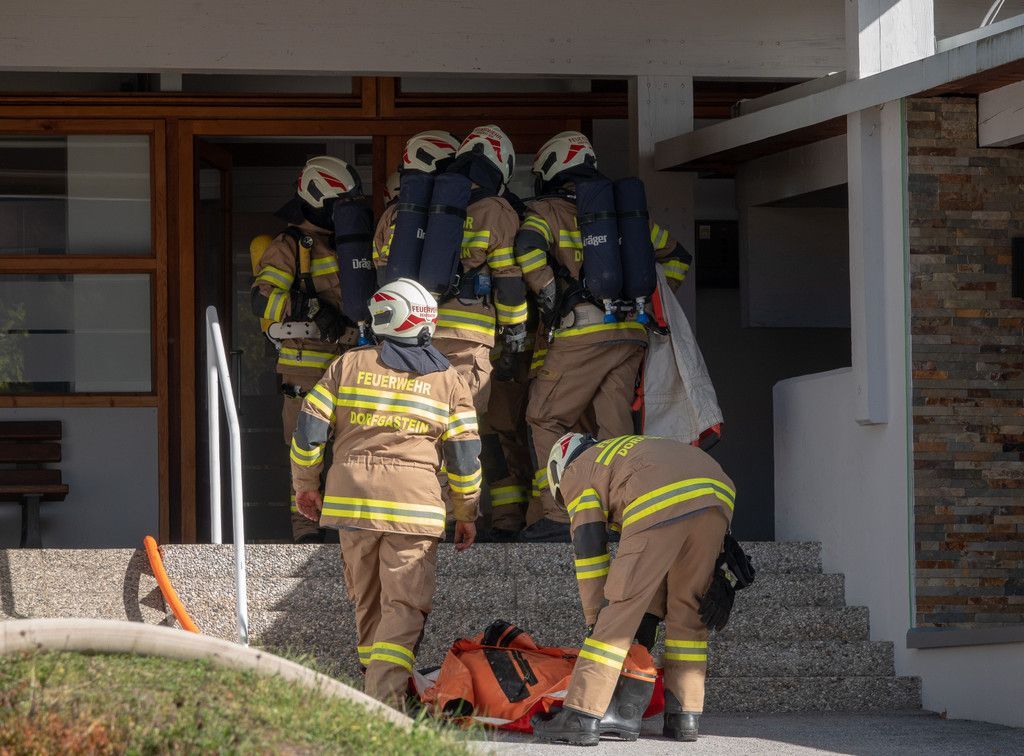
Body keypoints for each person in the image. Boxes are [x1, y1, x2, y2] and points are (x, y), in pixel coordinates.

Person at [290, 278, 482, 706]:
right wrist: (466, 512)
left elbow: (308, 433)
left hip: (352, 503)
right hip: (414, 509)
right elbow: (465, 459)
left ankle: (373, 692)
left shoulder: (347, 365)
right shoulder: (449, 380)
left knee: (368, 601)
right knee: (404, 607)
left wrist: (305, 485)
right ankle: (385, 701)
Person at [514, 131, 693, 541]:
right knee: (616, 430)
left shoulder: (546, 211)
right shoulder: (627, 216)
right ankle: (619, 516)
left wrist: (550, 295)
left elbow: (527, 249)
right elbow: (678, 257)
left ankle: (559, 517)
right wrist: (649, 304)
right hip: (631, 333)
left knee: (545, 416)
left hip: (582, 333)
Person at [531, 433, 747, 745]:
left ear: (558, 468)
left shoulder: (578, 470)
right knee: (689, 610)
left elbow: (590, 550)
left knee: (619, 609)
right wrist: (650, 615)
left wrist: (596, 619)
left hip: (659, 493)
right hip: (718, 490)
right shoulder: (623, 452)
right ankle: (684, 716)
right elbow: (660, 555)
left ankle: (582, 715)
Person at [251, 155, 363, 543]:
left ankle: (345, 530)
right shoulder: (290, 246)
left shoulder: (354, 244)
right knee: (304, 450)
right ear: (319, 200)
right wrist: (311, 307)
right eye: (340, 203)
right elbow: (262, 301)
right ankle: (306, 531)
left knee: (351, 450)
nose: (347, 212)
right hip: (305, 367)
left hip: (352, 364)